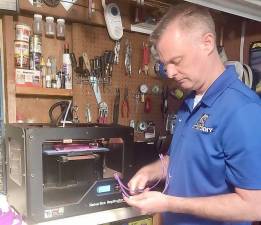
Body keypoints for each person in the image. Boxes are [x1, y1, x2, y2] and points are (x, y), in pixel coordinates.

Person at [124, 3, 261, 225]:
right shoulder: (189, 101)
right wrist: (150, 171)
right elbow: (183, 160)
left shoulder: (243, 110)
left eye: (176, 61)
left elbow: (254, 206)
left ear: (207, 43)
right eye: (165, 64)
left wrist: (169, 203)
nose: (169, 72)